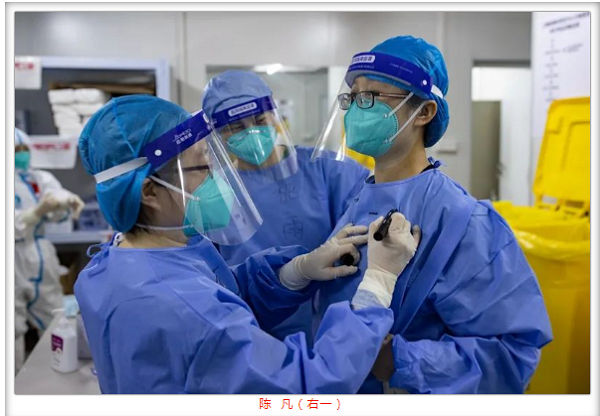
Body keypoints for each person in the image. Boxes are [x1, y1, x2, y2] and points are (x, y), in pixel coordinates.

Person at [74, 95, 421, 394]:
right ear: (149, 192)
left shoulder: (117, 263)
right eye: (202, 168)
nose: (218, 179)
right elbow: (309, 383)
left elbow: (219, 295)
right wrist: (377, 283)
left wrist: (292, 273)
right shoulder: (181, 307)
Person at [311, 36, 553, 394]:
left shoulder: (462, 221)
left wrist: (397, 361)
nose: (356, 111)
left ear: (424, 112)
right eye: (353, 97)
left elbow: (512, 354)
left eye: (372, 97)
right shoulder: (358, 197)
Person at [201, 71, 370, 342]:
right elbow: (212, 279)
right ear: (218, 133)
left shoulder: (328, 171)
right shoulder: (213, 196)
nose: (252, 131)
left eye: (259, 120)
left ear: (274, 115)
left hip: (334, 328)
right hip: (256, 334)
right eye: (236, 127)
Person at [14, 128, 84, 373]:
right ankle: (13, 381)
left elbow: (55, 196)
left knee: (55, 314)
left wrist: (66, 202)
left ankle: (61, 369)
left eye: (24, 149)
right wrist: (37, 212)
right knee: (11, 326)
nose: (22, 154)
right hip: (12, 256)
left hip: (41, 251)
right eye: (16, 150)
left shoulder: (37, 177)